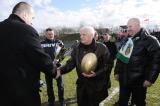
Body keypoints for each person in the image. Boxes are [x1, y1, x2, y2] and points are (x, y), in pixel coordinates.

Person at [0, 2, 57, 106]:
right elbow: (39, 57)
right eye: (32, 18)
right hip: (23, 93)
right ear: (25, 15)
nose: (32, 22)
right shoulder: (26, 30)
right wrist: (54, 70)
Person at [57, 26, 111, 106]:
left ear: (91, 35)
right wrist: (60, 70)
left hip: (96, 85)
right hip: (82, 85)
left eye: (84, 35)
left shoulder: (102, 48)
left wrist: (96, 73)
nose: (81, 37)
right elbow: (71, 63)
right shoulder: (77, 48)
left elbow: (108, 65)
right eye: (80, 34)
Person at [114, 18, 160, 106]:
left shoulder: (150, 40)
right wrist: (116, 72)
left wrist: (150, 79)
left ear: (138, 25)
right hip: (124, 79)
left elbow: (156, 62)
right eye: (127, 27)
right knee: (122, 103)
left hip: (140, 81)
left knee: (139, 103)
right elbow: (120, 58)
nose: (128, 29)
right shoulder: (126, 40)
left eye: (130, 26)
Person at [41, 28, 65, 106]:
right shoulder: (41, 43)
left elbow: (63, 53)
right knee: (49, 86)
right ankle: (51, 101)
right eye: (49, 34)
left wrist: (58, 59)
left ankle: (62, 101)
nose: (51, 35)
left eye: (52, 34)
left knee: (60, 86)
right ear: (45, 34)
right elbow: (40, 56)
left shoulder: (59, 42)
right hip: (47, 68)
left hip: (58, 67)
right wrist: (47, 63)